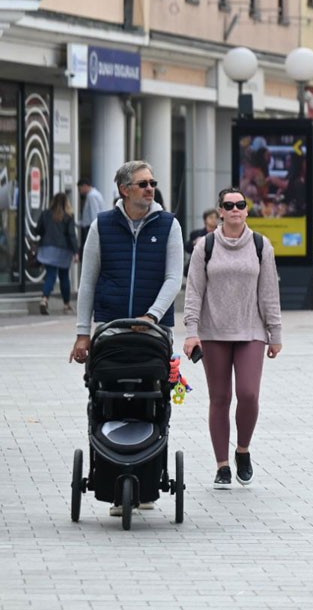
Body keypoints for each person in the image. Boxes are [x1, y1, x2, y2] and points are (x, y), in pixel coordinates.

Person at [70, 160, 184, 517]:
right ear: (124, 189)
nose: (150, 188)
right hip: (111, 329)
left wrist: (150, 316)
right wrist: (82, 334)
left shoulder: (168, 225)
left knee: (154, 399)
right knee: (109, 397)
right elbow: (87, 281)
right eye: (143, 183)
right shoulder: (102, 226)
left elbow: (173, 278)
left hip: (153, 333)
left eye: (152, 182)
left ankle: (149, 479)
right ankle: (112, 480)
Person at [183, 188, 283, 489]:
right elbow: (194, 292)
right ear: (220, 212)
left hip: (251, 331)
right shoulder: (205, 246)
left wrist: (274, 333)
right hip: (214, 333)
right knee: (220, 398)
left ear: (247, 211)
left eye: (241, 204)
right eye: (230, 205)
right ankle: (222, 465)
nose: (236, 209)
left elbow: (269, 293)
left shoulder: (261, 246)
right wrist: (192, 332)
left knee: (249, 394)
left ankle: (242, 450)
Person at [34, 192, 78, 315]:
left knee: (50, 276)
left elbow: (38, 230)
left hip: (47, 248)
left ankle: (44, 299)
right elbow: (71, 235)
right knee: (64, 277)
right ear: (66, 203)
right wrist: (76, 252)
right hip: (63, 250)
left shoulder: (46, 214)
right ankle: (66, 304)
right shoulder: (68, 216)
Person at [76, 178, 105, 252]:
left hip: (90, 228)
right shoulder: (95, 194)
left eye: (80, 189)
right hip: (91, 226)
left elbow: (94, 213)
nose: (80, 191)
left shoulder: (91, 196)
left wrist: (93, 229)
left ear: (85, 186)